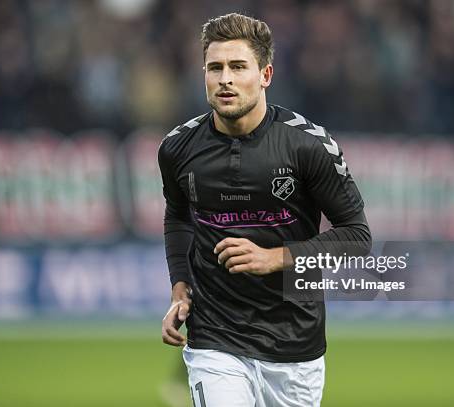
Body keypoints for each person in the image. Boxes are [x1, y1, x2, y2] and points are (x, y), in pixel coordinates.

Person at [158, 13, 371, 407]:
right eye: (215, 67)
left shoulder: (308, 147)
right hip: (215, 340)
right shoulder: (177, 149)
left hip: (295, 348)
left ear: (265, 75)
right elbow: (178, 216)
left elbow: (357, 236)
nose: (225, 78)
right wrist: (179, 287)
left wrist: (275, 258)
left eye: (238, 67)